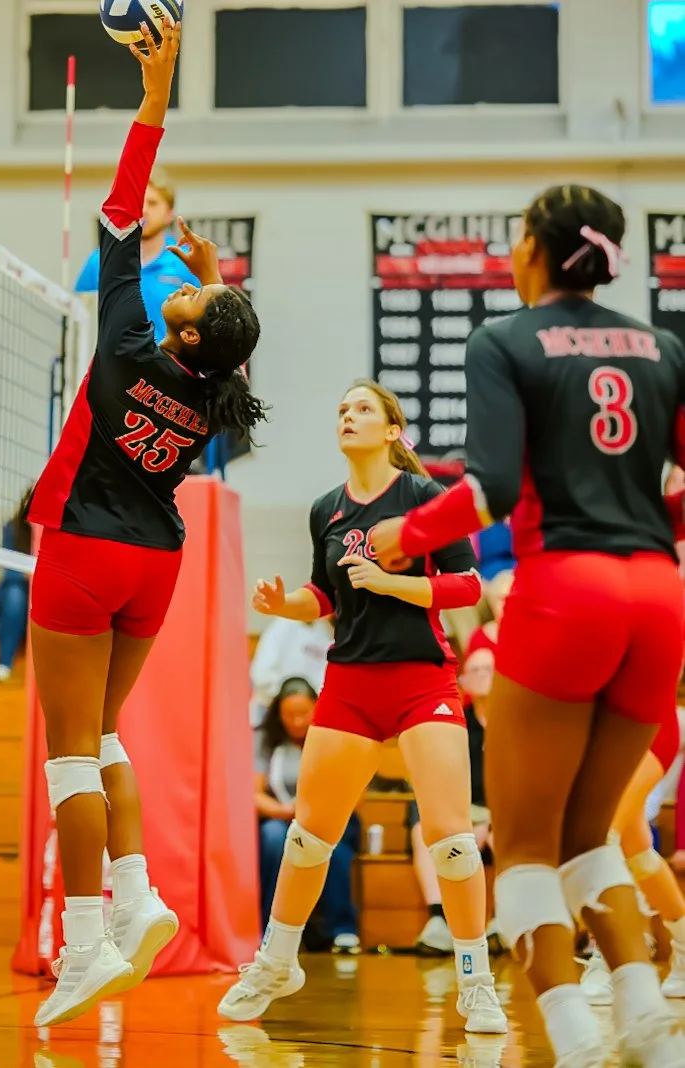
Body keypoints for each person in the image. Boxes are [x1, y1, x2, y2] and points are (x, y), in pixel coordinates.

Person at [370, 185, 685, 1068]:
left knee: (522, 848)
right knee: (593, 838)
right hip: (659, 596)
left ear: (538, 252)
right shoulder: (662, 344)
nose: (509, 253)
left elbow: (491, 490)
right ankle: (648, 1022)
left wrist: (408, 531)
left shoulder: (504, 339)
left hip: (563, 594)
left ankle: (576, 1038)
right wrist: (655, 533)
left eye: (514, 237)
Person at [27, 19, 265, 1028]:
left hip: (83, 549)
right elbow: (231, 337)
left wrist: (155, 95)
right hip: (155, 564)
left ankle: (85, 941)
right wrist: (219, 285)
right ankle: (139, 895)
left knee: (69, 752)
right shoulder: (213, 391)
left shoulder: (127, 334)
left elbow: (124, 201)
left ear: (184, 318)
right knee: (106, 733)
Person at [218, 379, 506, 1036]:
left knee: (453, 842)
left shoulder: (426, 500)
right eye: (341, 409)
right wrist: (279, 602)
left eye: (361, 409)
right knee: (306, 837)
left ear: (390, 429)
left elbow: (466, 588)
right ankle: (276, 963)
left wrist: (390, 583)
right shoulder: (325, 509)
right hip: (348, 682)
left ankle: (475, 983)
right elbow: (321, 597)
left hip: (421, 681)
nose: (347, 416)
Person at [581, 693, 685, 1007]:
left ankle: (608, 960)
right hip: (598, 729)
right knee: (637, 854)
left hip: (649, 722)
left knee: (602, 833)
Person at [255, 677, 360, 951]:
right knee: (272, 838)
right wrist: (284, 811)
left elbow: (352, 786)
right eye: (289, 714)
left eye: (303, 713)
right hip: (282, 816)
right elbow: (254, 794)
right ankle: (271, 929)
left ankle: (343, 929)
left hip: (330, 816)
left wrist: (319, 815)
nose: (297, 721)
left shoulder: (334, 734)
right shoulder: (267, 741)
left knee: (332, 844)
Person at [411, 646, 495, 956]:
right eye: (476, 670)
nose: (484, 676)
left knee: (507, 833)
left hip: (501, 812)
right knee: (421, 825)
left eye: (490, 669)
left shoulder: (513, 724)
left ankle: (505, 923)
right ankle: (438, 920)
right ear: (464, 682)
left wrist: (488, 821)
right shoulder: (455, 724)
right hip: (462, 810)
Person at [75, 164, 197, 341]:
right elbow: (78, 325)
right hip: (112, 366)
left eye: (153, 203)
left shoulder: (187, 261)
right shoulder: (98, 261)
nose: (143, 210)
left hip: (167, 367)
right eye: (138, 202)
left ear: (169, 214)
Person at [249, 615, 332, 729]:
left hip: (312, 715)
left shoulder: (323, 631)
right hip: (274, 710)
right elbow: (262, 674)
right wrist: (292, 694)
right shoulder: (281, 627)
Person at [0, 487, 32, 683]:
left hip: (46, 591)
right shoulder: (13, 527)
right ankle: (4, 664)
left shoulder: (63, 529)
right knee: (15, 594)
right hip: (17, 590)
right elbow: (10, 569)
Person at [464, 569, 513, 662]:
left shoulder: (530, 636)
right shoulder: (479, 638)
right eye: (501, 599)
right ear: (492, 601)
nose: (506, 605)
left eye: (511, 600)